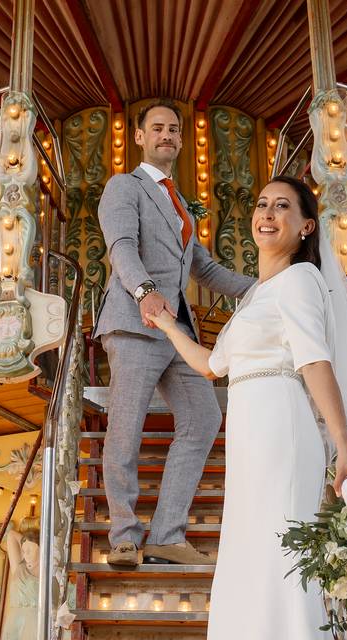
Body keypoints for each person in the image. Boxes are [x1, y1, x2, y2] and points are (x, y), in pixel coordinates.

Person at [148, 176, 347, 637]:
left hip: (281, 423)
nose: (267, 213)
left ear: (305, 226)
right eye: (262, 204)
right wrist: (167, 323)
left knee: (279, 553)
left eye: (282, 206)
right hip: (249, 430)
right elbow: (211, 365)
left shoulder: (301, 279)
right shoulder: (256, 296)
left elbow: (315, 360)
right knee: (249, 549)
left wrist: (344, 446)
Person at [94, 99, 255, 567]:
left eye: (174, 129)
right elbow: (121, 246)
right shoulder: (124, 186)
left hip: (175, 329)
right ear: (140, 137)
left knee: (203, 419)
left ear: (181, 140)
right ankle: (124, 535)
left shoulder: (179, 201)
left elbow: (202, 267)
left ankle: (166, 534)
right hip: (135, 322)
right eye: (157, 128)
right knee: (126, 429)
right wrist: (145, 292)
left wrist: (265, 286)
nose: (167, 135)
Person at [1, 517, 39, 640]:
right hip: (14, 620)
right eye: (23, 550)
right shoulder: (19, 568)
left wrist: (37, 540)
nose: (25, 553)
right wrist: (28, 539)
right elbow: (11, 535)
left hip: (33, 621)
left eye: (29, 550)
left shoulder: (44, 570)